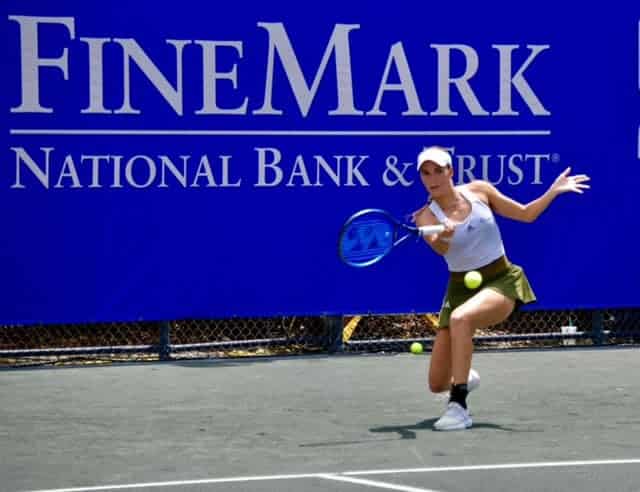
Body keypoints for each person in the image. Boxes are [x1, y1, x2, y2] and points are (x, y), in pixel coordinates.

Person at [413, 146, 590, 431]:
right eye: (426, 172)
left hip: (501, 279)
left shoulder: (480, 191)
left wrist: (553, 191)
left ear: (451, 172)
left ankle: (458, 407)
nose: (432, 178)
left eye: (438, 170)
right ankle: (464, 378)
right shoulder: (425, 217)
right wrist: (445, 235)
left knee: (462, 319)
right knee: (436, 383)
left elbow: (526, 214)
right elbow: (441, 249)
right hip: (459, 288)